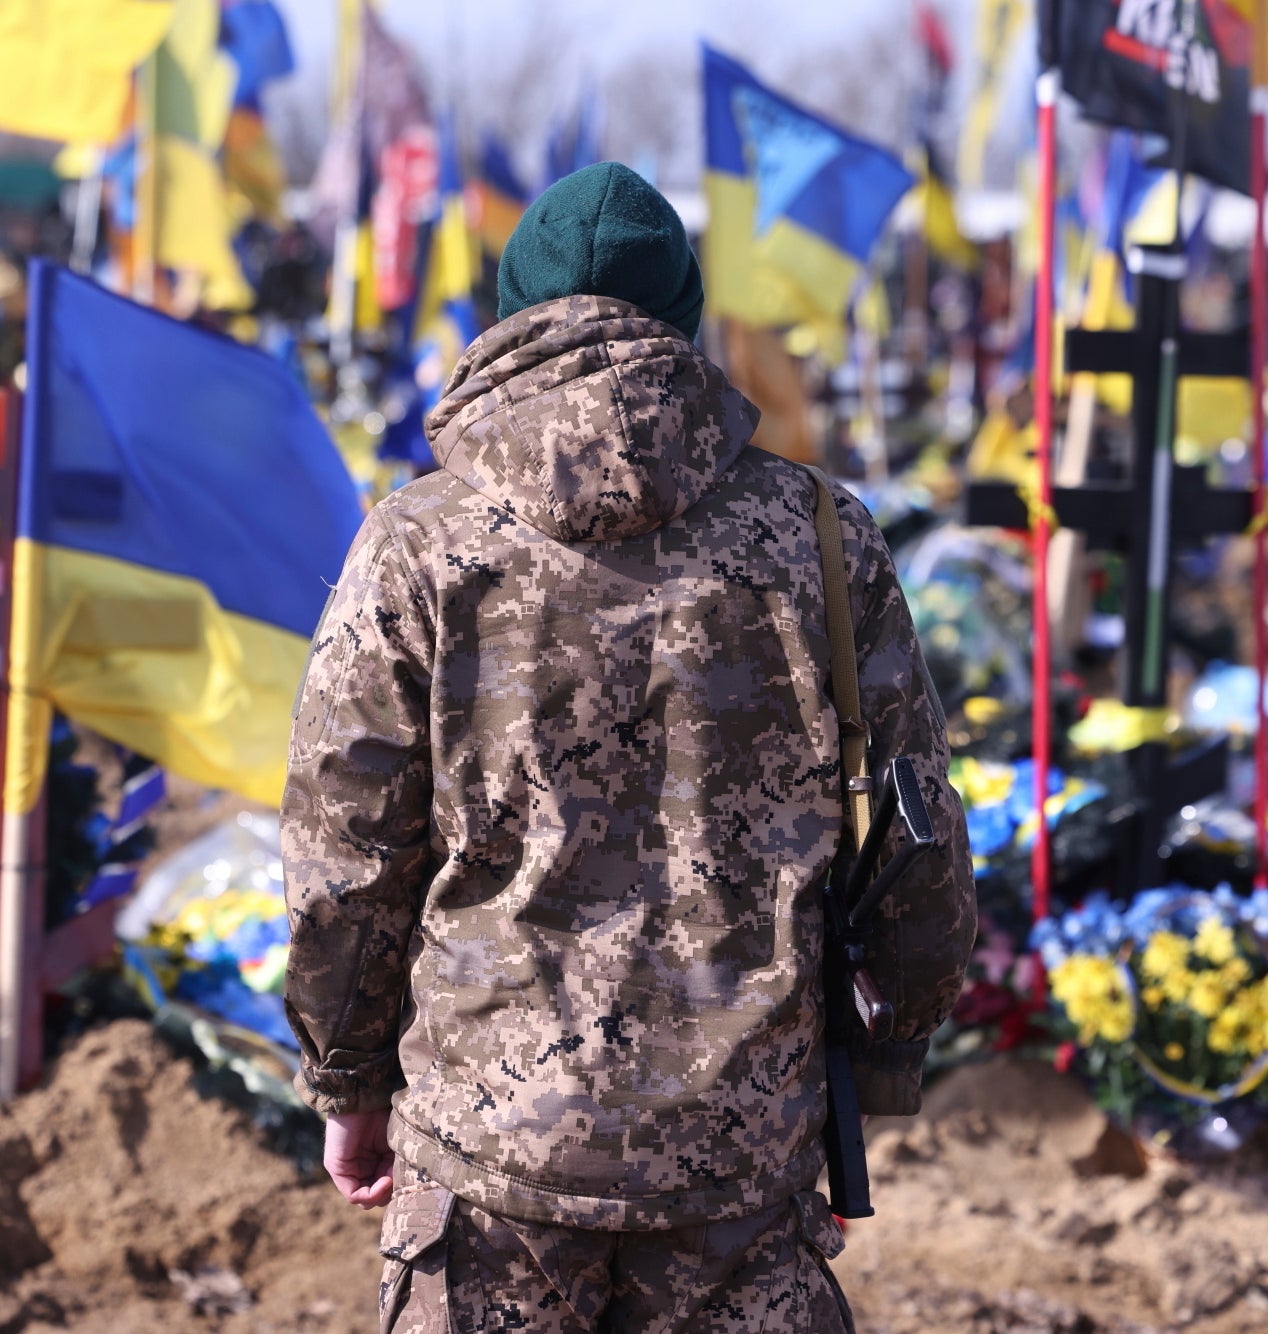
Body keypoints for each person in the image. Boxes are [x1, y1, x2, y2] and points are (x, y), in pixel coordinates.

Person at [283, 162, 975, 1333]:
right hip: (741, 1161)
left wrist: (347, 1083)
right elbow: (913, 837)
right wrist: (887, 1051)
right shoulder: (820, 536)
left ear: (507, 317)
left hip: (490, 1156)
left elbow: (346, 852)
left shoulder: (415, 543)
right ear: (685, 317)